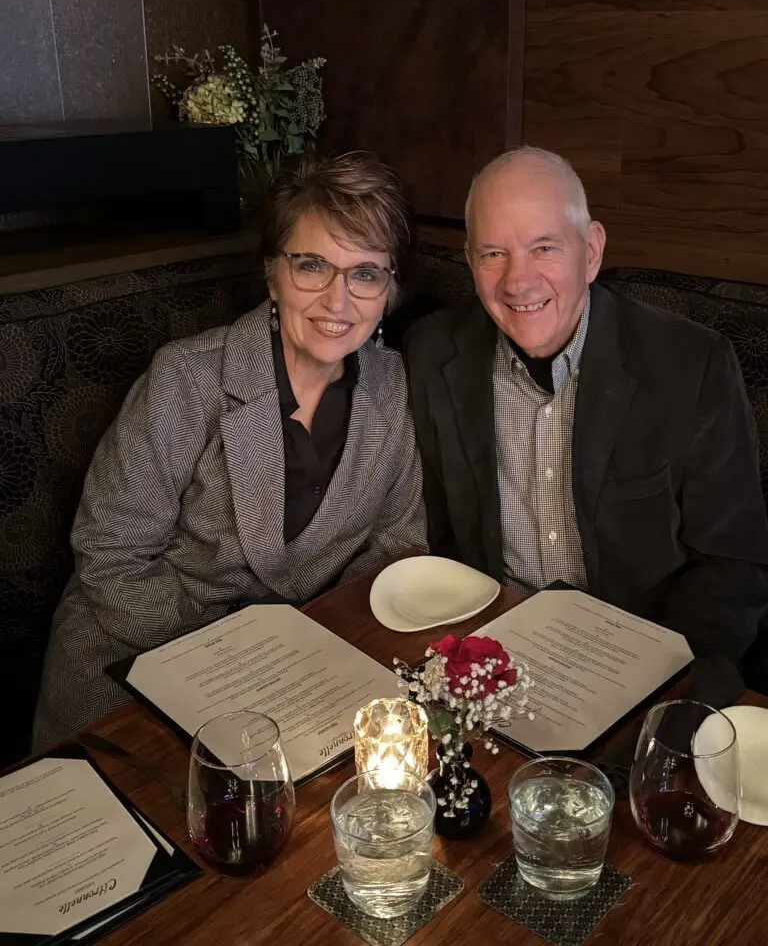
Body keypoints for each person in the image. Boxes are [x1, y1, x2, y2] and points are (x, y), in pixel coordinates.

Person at [34, 151, 427, 747]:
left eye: (365, 273)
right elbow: (110, 555)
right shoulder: (187, 378)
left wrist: (315, 644)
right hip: (132, 660)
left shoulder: (394, 385)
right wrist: (232, 663)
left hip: (302, 671)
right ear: (273, 274)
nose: (337, 300)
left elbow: (400, 540)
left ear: (388, 290)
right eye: (313, 265)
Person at [405, 146, 768, 686]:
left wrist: (668, 691)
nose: (518, 282)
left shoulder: (692, 365)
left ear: (591, 251)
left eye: (544, 248)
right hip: (487, 651)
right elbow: (435, 533)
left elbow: (732, 565)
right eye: (493, 253)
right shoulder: (430, 352)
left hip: (638, 662)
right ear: (469, 260)